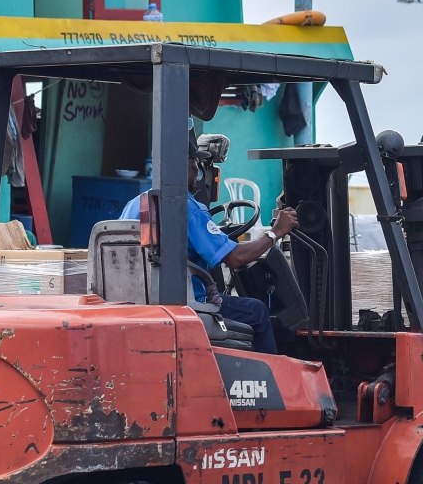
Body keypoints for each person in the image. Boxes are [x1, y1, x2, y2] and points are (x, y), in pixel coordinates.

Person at [120, 136, 298, 354]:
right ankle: (270, 385)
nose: (198, 169)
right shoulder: (186, 207)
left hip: (140, 303)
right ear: (183, 163)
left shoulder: (134, 204)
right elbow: (234, 258)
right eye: (195, 162)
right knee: (258, 311)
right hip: (186, 304)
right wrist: (275, 232)